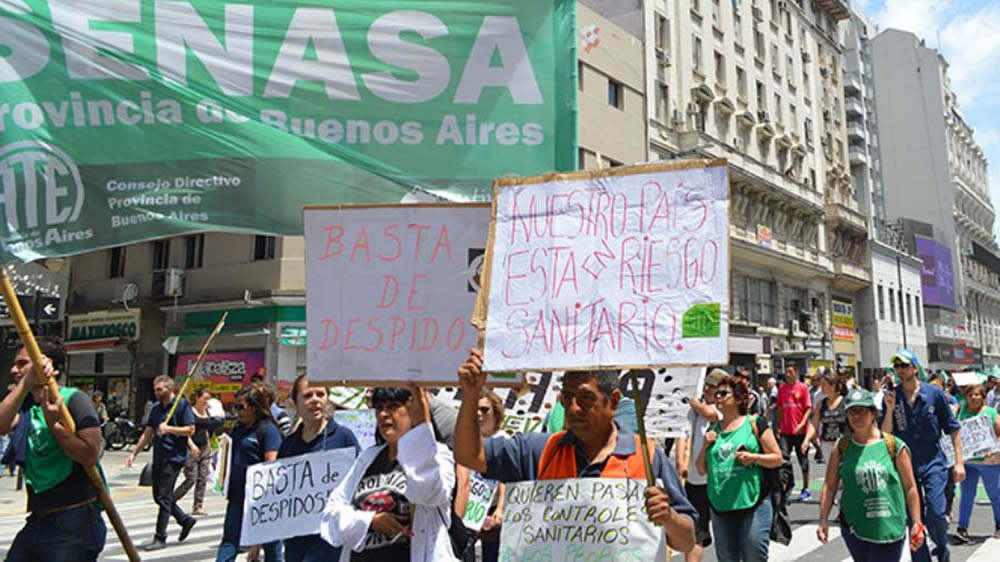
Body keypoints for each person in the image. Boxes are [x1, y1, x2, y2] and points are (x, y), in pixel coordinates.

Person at [454, 349, 698, 553]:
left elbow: (686, 542)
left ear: (613, 402)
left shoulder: (647, 456)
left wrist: (668, 517)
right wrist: (471, 395)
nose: (573, 408)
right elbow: (469, 455)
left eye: (586, 398)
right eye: (568, 397)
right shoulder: (538, 451)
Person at [319, 384, 457, 561]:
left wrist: (422, 429)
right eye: (379, 408)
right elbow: (331, 515)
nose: (384, 414)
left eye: (393, 406)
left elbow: (430, 493)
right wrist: (371, 521)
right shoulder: (367, 458)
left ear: (413, 410)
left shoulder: (437, 455)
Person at [0, 340, 107, 561]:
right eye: (15, 364)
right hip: (39, 520)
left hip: (75, 521)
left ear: (50, 366)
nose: (14, 370)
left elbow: (90, 454)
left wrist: (55, 428)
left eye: (22, 364)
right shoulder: (26, 404)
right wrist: (25, 384)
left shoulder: (74, 400)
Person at [817, 388, 924, 561]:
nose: (857, 416)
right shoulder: (842, 447)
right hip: (854, 526)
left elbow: (910, 487)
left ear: (873, 414)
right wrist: (823, 519)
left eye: (862, 411)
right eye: (852, 412)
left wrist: (916, 522)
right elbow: (829, 486)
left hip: (888, 525)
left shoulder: (894, 445)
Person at [881, 349, 964, 562]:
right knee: (913, 519)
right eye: (896, 366)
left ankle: (942, 548)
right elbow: (886, 434)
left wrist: (959, 462)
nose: (899, 370)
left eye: (904, 366)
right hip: (905, 464)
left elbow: (953, 429)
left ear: (915, 368)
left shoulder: (934, 394)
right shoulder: (892, 397)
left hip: (933, 461)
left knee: (936, 513)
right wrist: (890, 409)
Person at [695, 376, 783, 562]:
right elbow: (701, 469)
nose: (718, 397)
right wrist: (704, 446)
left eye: (723, 393)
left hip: (753, 501)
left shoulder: (754, 423)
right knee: (727, 559)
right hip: (720, 504)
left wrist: (754, 458)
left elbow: (777, 458)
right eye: (716, 393)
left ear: (739, 398)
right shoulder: (713, 429)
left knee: (754, 554)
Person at [279, 375, 360, 561]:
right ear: (295, 403)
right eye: (307, 396)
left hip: (329, 534)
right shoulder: (289, 444)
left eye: (320, 394)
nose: (315, 400)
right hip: (295, 536)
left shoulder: (344, 438)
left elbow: (358, 480)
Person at [126, 375, 197, 551]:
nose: (156, 392)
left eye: (159, 389)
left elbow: (190, 429)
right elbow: (148, 431)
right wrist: (134, 452)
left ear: (169, 389)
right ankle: (184, 519)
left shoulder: (181, 405)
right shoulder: (156, 408)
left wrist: (169, 429)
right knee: (158, 496)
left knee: (164, 496)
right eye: (155, 389)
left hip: (174, 457)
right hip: (159, 455)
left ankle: (161, 536)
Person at [216, 384, 283, 562]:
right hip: (237, 495)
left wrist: (256, 542)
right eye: (234, 407)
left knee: (271, 544)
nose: (237, 412)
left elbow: (272, 464)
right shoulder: (237, 429)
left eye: (241, 407)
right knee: (230, 540)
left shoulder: (268, 430)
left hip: (262, 498)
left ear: (254, 407)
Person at [675, 368, 725, 562]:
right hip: (694, 481)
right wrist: (680, 462)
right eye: (707, 386)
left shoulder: (722, 409)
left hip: (717, 479)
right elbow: (683, 433)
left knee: (725, 531)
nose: (707, 390)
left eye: (712, 387)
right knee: (695, 533)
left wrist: (691, 399)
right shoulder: (694, 410)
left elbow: (710, 414)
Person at [953, 384, 1000, 543]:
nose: (973, 398)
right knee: (967, 494)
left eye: (977, 395)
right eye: (970, 395)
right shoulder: (961, 413)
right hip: (968, 461)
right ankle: (962, 527)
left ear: (983, 397)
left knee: (995, 494)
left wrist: (994, 448)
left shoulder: (991, 413)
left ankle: (999, 525)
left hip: (989, 462)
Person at [466, 388, 507, 562]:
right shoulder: (466, 440)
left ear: (496, 414)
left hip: (492, 511)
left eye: (485, 410)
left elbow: (506, 478)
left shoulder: (504, 440)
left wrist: (500, 509)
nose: (479, 414)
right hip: (469, 509)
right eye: (476, 409)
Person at [173, 388, 222, 516]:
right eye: (204, 398)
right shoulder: (189, 412)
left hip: (205, 446)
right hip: (191, 446)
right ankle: (172, 499)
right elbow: (187, 430)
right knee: (191, 478)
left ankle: (198, 506)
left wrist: (209, 445)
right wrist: (191, 445)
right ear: (197, 398)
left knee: (203, 477)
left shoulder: (207, 412)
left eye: (208, 399)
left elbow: (207, 430)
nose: (207, 401)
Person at [777, 363, 813, 501]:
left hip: (800, 431)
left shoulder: (803, 388)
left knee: (802, 459)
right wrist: (778, 426)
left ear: (796, 373)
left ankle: (806, 488)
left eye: (790, 372)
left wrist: (802, 424)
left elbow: (808, 408)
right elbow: (779, 407)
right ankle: (786, 487)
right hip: (786, 431)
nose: (787, 374)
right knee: (784, 459)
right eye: (786, 372)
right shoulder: (782, 388)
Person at [803, 372, 849, 467]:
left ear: (832, 386)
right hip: (827, 443)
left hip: (844, 443)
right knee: (831, 471)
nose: (821, 387)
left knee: (844, 470)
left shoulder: (846, 402)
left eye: (824, 385)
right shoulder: (821, 404)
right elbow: (814, 424)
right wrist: (807, 439)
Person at [809, 369, 827, 463]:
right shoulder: (813, 393)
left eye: (815, 379)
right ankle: (820, 451)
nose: (813, 382)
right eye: (812, 380)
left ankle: (820, 452)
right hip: (815, 417)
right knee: (814, 437)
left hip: (829, 420)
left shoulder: (831, 392)